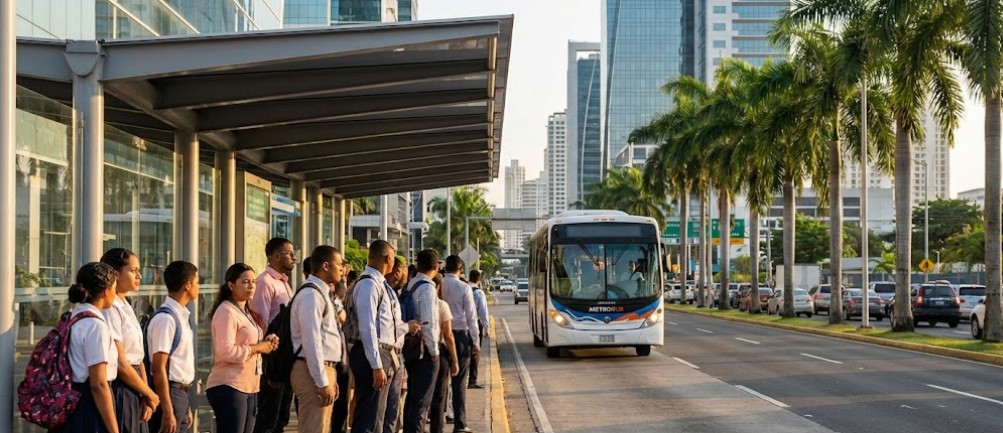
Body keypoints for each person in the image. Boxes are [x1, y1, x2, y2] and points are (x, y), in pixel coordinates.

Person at [349, 240, 418, 433]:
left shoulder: (381, 284)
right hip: (375, 354)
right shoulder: (369, 285)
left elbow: (386, 325)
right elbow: (367, 327)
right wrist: (376, 365)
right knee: (369, 418)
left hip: (385, 354)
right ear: (388, 258)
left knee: (379, 416)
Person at [206, 263, 280, 433]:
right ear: (231, 285)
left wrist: (266, 342)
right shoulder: (226, 311)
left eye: (253, 282)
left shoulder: (245, 310)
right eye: (245, 282)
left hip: (250, 386)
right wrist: (257, 348)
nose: (251, 286)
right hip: (230, 385)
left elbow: (250, 341)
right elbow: (226, 352)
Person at [99, 249, 160, 433]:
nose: (139, 275)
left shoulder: (125, 305)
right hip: (122, 385)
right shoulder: (110, 308)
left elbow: (138, 356)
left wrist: (145, 393)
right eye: (133, 270)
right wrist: (150, 394)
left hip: (136, 384)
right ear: (116, 274)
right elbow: (121, 363)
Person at [290, 246, 346, 433]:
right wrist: (322, 381)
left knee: (321, 427)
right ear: (325, 266)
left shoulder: (323, 293)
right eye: (339, 264)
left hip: (320, 368)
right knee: (313, 428)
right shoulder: (311, 295)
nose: (342, 269)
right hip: (310, 369)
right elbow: (311, 341)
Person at [64, 262, 122, 433]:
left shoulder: (73, 316)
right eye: (114, 287)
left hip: (70, 402)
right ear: (106, 291)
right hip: (88, 406)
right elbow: (98, 384)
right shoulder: (95, 325)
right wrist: (114, 430)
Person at [147, 261, 199, 433]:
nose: (198, 286)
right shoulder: (166, 319)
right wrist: (168, 411)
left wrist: (186, 406)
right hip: (170, 393)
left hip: (180, 394)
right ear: (188, 285)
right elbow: (159, 367)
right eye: (197, 282)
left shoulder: (180, 316)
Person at [252, 238, 297, 433]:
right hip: (273, 358)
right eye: (290, 253)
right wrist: (268, 362)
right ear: (276, 256)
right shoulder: (265, 282)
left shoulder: (284, 282)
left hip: (285, 356)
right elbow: (260, 321)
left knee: (282, 416)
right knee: (268, 417)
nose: (294, 258)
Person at [401, 250, 442, 433]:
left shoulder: (411, 284)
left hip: (410, 347)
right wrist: (434, 353)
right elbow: (429, 322)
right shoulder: (427, 287)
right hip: (424, 352)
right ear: (436, 266)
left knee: (412, 400)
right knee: (421, 403)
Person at [440, 256, 480, 433]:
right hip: (460, 336)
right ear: (460, 269)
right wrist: (476, 341)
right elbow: (472, 317)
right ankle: (460, 423)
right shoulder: (464, 287)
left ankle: (439, 421)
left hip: (440, 335)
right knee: (459, 383)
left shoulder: (439, 285)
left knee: (440, 381)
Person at [428, 273, 460, 433]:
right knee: (439, 397)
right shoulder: (441, 306)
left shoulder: (416, 300)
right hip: (439, 353)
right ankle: (436, 429)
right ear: (439, 286)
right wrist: (455, 360)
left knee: (420, 398)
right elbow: (448, 336)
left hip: (419, 353)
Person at [382, 256, 409, 433]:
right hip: (385, 354)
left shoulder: (391, 291)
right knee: (382, 410)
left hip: (394, 354)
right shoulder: (377, 288)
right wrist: (409, 326)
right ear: (398, 271)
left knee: (392, 408)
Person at [466, 270, 489, 389]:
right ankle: (472, 380)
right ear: (479, 280)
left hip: (460, 326)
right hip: (474, 324)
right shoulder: (479, 292)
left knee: (463, 353)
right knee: (475, 352)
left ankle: (460, 379)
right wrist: (487, 328)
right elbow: (483, 312)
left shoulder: (464, 288)